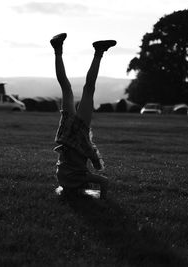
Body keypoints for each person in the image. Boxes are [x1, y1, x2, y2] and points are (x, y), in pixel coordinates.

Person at [50, 33, 116, 200]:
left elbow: (104, 181)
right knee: (66, 88)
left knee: (89, 89)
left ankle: (99, 51)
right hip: (65, 135)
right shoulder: (62, 180)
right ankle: (57, 49)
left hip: (78, 136)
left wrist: (97, 164)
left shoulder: (80, 179)